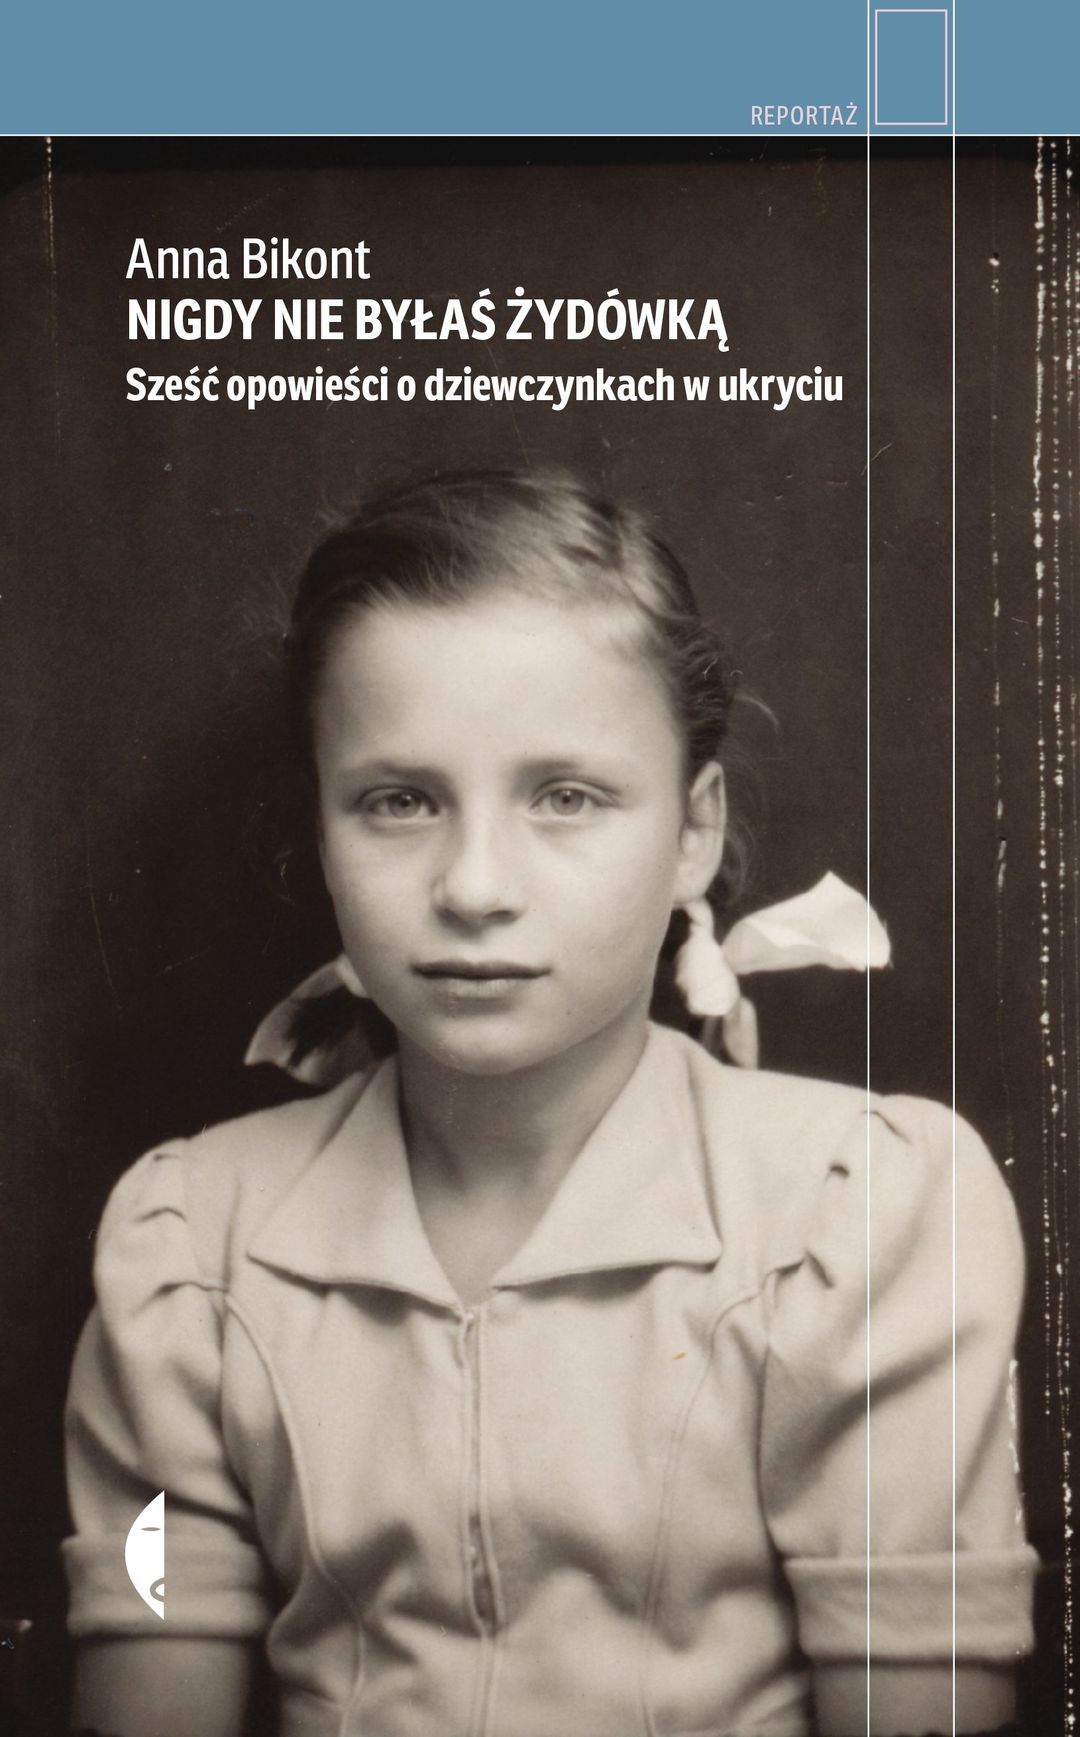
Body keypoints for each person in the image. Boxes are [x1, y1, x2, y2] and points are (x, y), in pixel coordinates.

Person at [63, 471, 1037, 1737]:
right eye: (399, 801)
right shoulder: (188, 1249)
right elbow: (150, 1640)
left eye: (566, 797)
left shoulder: (861, 1216)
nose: (474, 887)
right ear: (322, 828)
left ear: (693, 832)